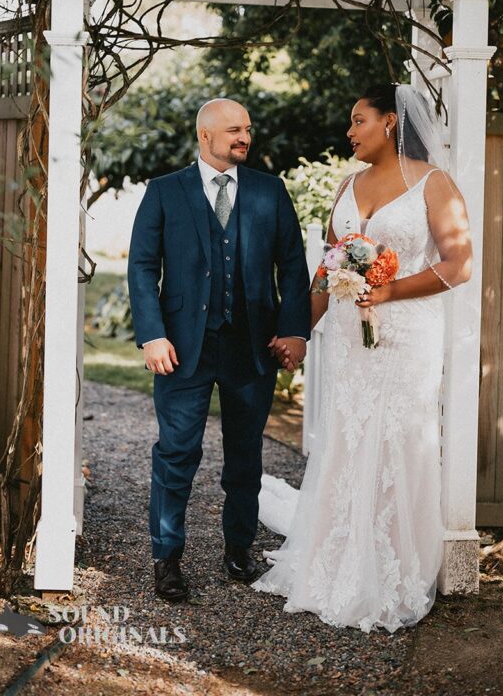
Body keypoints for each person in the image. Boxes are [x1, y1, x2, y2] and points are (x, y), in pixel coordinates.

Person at [254, 82, 473, 633]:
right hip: (353, 340)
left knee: (399, 438)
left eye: (358, 120)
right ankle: (335, 561)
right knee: (349, 437)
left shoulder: (434, 184)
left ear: (391, 122)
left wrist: (390, 291)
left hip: (407, 336)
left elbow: (459, 264)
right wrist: (298, 332)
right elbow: (330, 269)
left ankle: (395, 567)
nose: (349, 132)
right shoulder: (347, 186)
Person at [127, 98, 311, 601]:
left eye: (248, 129)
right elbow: (142, 266)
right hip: (181, 347)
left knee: (245, 457)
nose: (244, 138)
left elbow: (293, 266)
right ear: (205, 135)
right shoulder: (165, 192)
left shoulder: (270, 192)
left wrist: (295, 330)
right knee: (176, 452)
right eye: (234, 130)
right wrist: (153, 333)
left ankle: (239, 551)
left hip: (252, 349)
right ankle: (167, 560)